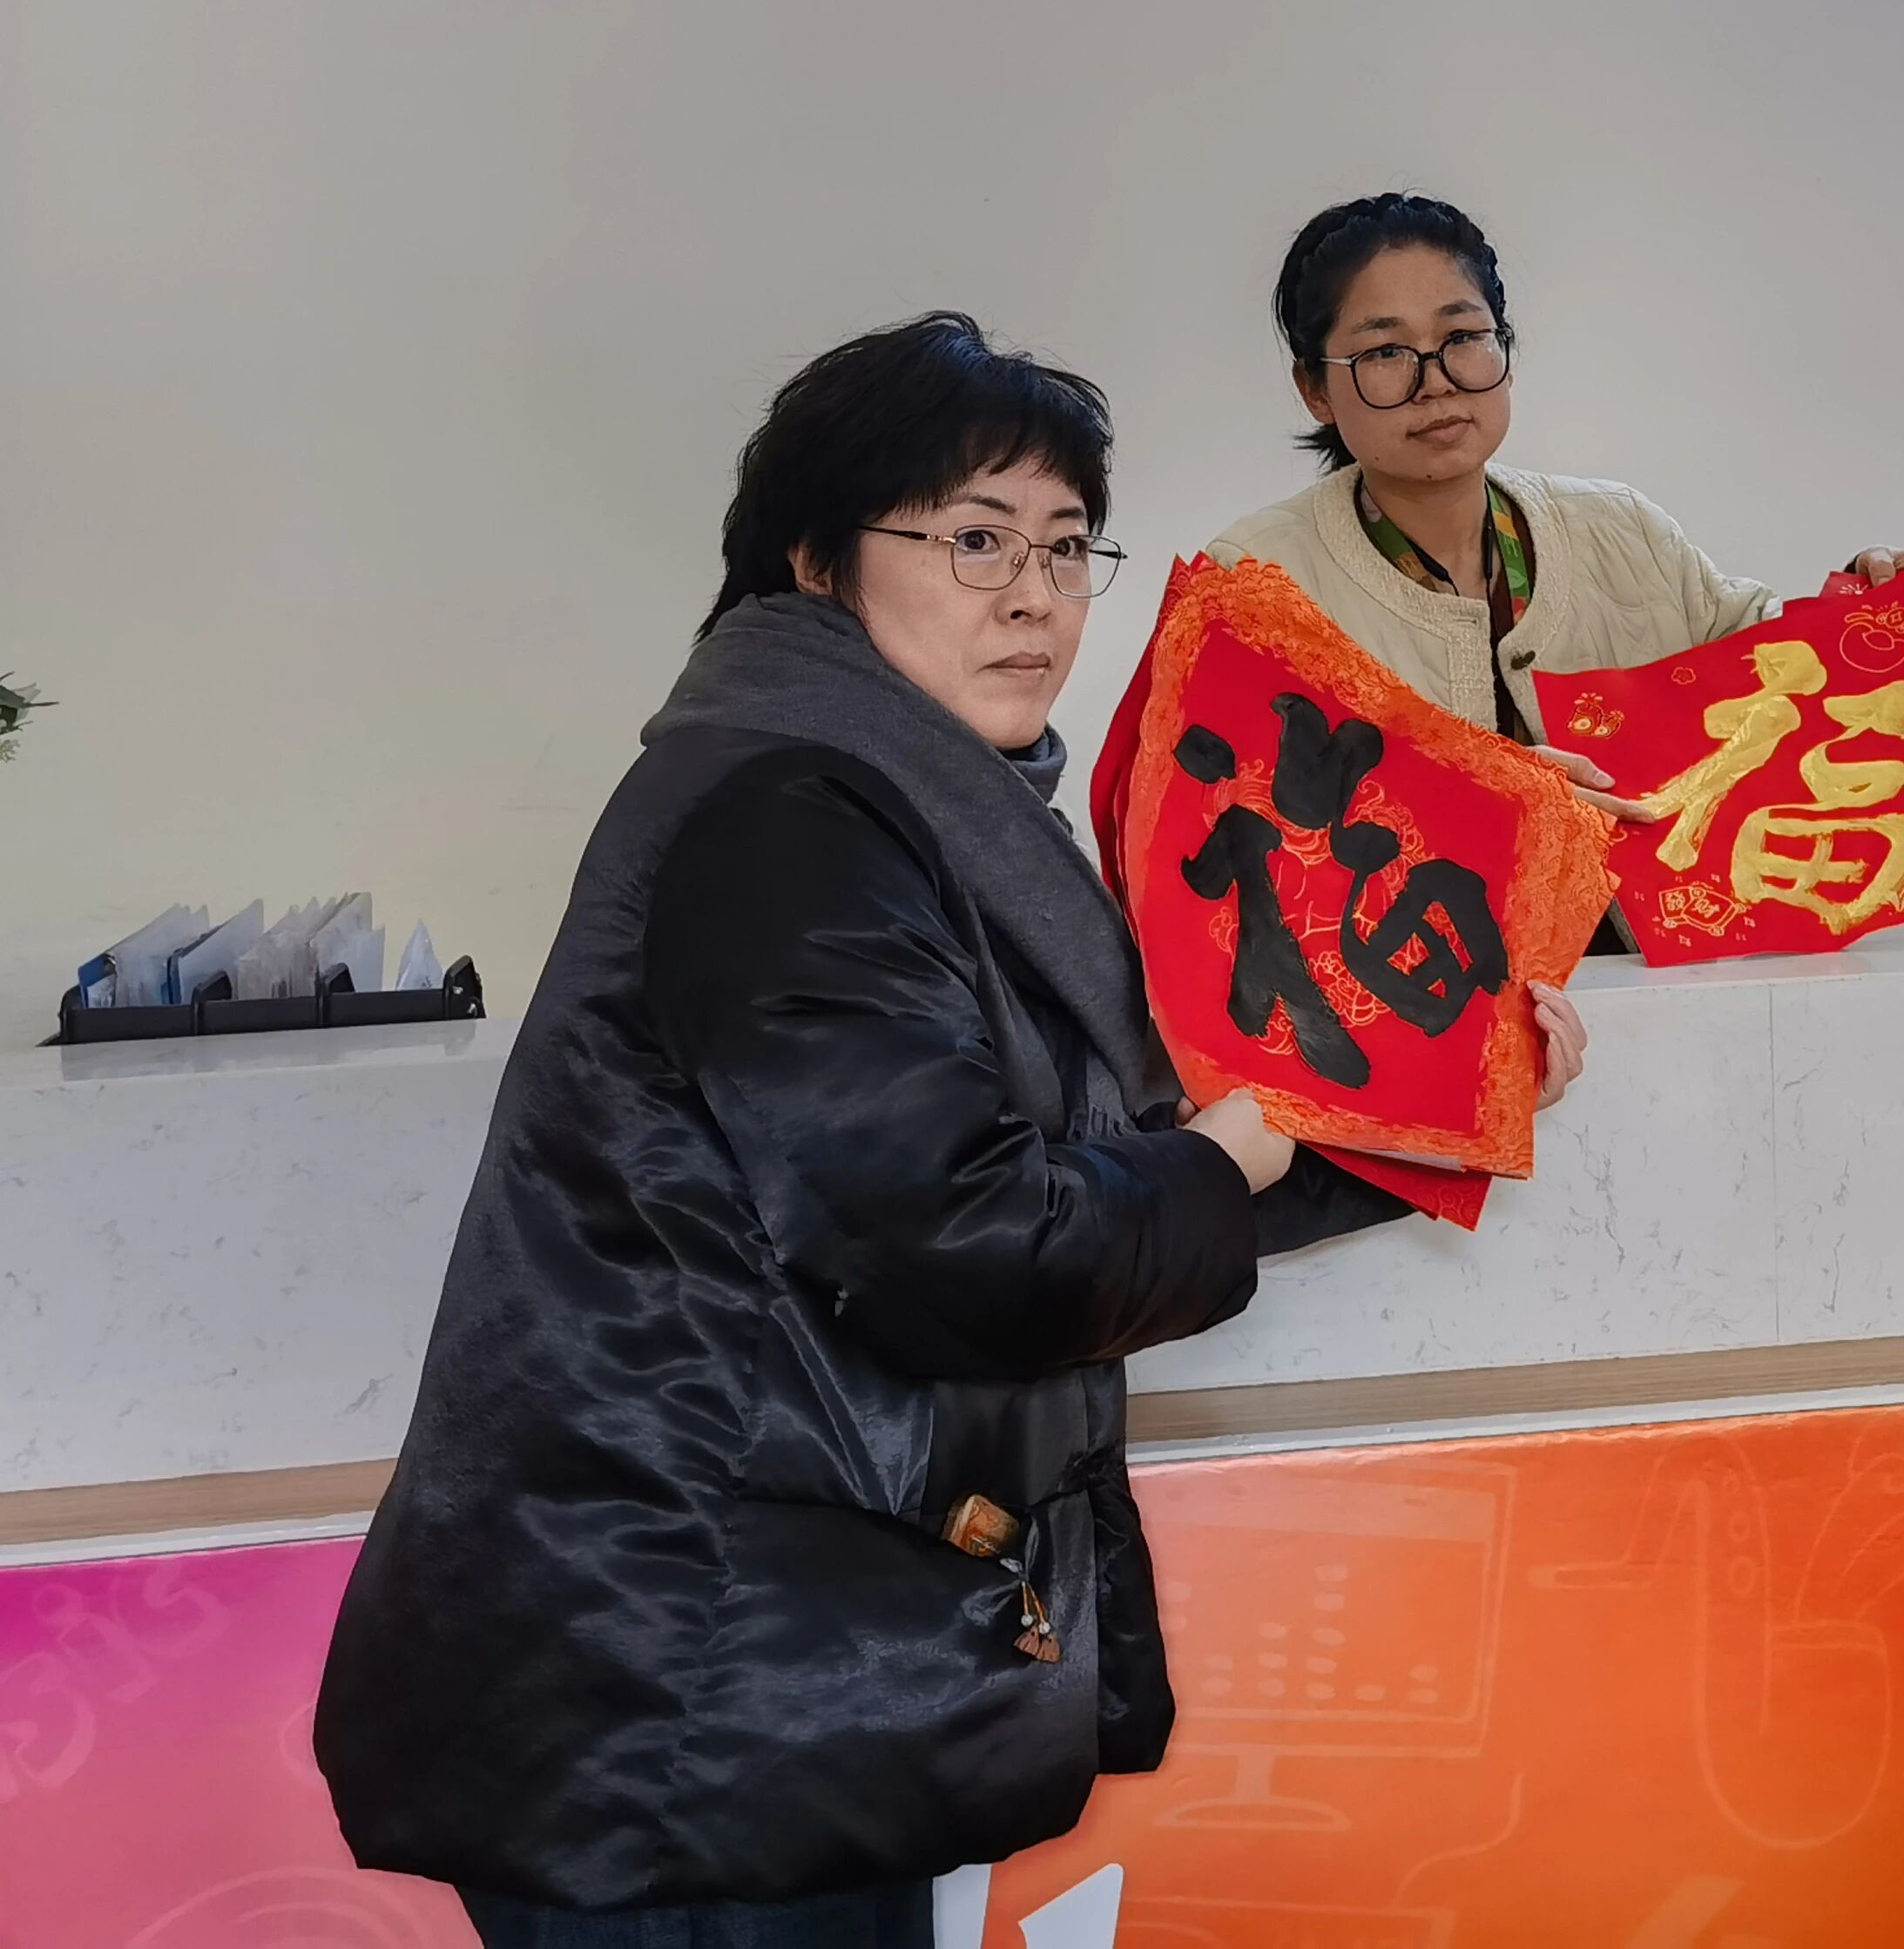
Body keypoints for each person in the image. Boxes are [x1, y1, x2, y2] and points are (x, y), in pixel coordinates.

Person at [315, 314, 1585, 1947]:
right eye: (976, 539)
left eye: (1065, 546)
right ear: (817, 562)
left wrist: (1444, 1096)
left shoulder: (899, 802)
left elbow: (1101, 1153)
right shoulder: (792, 816)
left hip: (748, 1678)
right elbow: (970, 1241)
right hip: (688, 1692)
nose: (1035, 596)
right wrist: (1226, 1159)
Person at [1207, 192, 1904, 819]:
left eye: (1463, 338)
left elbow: (1766, 672)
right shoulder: (1256, 580)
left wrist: (1867, 602)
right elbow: (1237, 811)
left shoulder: (1621, 529)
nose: (1436, 381)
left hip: (1637, 937)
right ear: (1315, 390)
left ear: (1505, 350)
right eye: (1385, 352)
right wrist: (1491, 801)